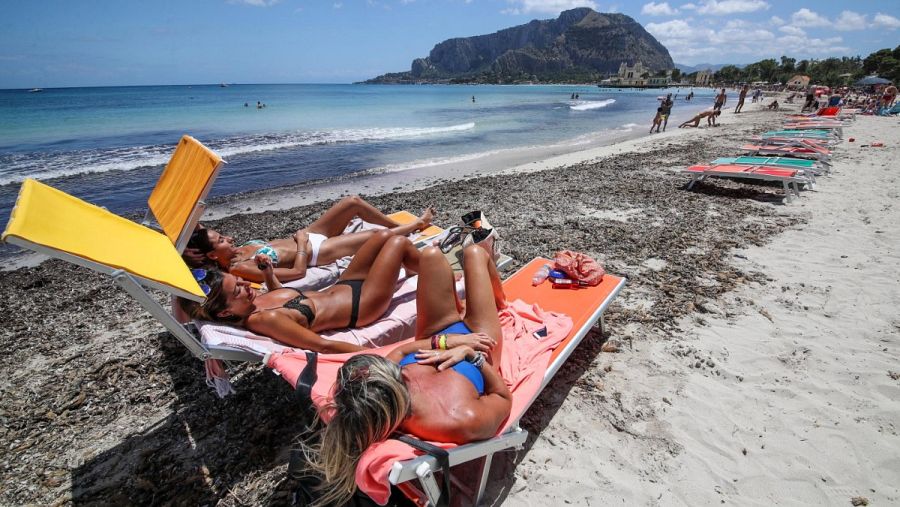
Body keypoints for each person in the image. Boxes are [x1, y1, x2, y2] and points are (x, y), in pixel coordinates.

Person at [304, 243, 511, 505]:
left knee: (431, 255)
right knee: (474, 254)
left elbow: (402, 352)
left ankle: (475, 303)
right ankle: (501, 300)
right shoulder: (457, 419)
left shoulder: (372, 387)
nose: (403, 373)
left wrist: (446, 343)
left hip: (437, 335)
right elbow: (503, 397)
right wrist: (472, 356)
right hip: (482, 343)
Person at [180, 230, 424, 353]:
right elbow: (322, 346)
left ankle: (418, 272)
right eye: (237, 291)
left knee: (383, 236)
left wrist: (268, 275)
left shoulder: (252, 302)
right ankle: (432, 273)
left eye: (238, 281)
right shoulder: (266, 320)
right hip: (361, 306)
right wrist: (386, 353)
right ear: (224, 314)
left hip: (342, 287)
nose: (245, 285)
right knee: (398, 243)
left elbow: (282, 295)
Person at [185, 195, 434, 283]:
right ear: (212, 255)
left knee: (352, 203)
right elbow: (296, 274)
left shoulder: (233, 251)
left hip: (309, 234)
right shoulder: (241, 268)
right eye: (221, 241)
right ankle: (417, 225)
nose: (228, 238)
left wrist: (185, 244)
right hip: (317, 251)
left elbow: (193, 228)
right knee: (374, 236)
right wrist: (303, 245)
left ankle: (403, 227)